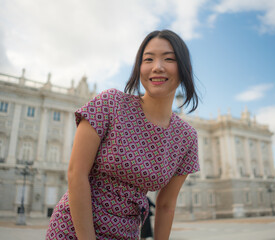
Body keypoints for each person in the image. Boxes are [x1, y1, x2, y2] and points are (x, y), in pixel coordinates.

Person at [46, 29, 200, 240]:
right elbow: (76, 173)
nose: (157, 67)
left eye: (168, 59)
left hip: (126, 234)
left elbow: (166, 205)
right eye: (148, 59)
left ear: (183, 68)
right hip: (75, 230)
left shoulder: (186, 137)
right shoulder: (110, 104)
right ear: (139, 68)